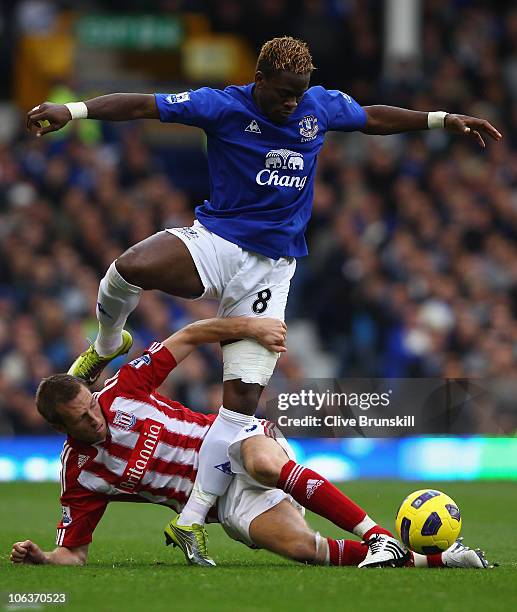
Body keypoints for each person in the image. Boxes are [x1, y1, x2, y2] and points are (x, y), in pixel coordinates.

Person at [26, 36, 503, 562]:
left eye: (299, 94)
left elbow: (372, 117)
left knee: (241, 409)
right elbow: (144, 105)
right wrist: (72, 110)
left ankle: (192, 519)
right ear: (260, 81)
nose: (292, 104)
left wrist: (441, 119)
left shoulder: (317, 106)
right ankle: (109, 340)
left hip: (270, 271)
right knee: (126, 269)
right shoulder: (224, 105)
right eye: (282, 93)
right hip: (218, 243)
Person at [10, 316, 488, 570]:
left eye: (92, 406)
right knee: (304, 550)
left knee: (257, 458)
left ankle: (378, 535)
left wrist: (249, 328)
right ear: (61, 428)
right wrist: (43, 559)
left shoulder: (122, 390)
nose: (96, 419)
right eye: (82, 419)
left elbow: (191, 334)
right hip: (223, 503)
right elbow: (74, 553)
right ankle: (441, 558)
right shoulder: (81, 475)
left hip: (234, 442)